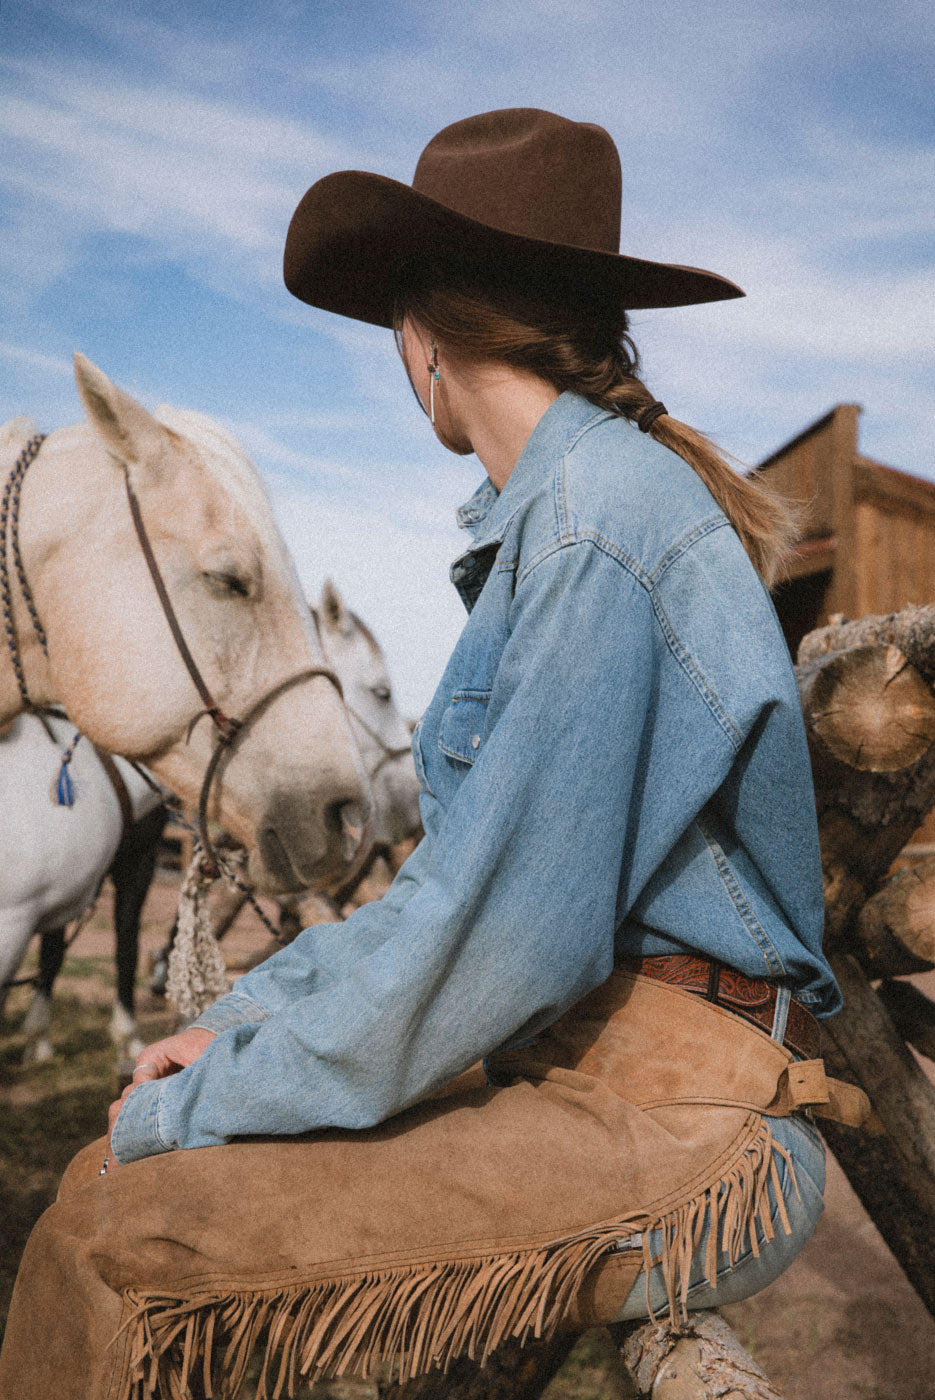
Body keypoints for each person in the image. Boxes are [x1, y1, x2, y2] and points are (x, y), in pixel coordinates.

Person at [0, 108, 871, 1400]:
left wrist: (210, 1092)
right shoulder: (570, 522)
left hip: (689, 1125)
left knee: (106, 1240)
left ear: (423, 342)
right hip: (609, 1074)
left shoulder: (592, 527)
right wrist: (239, 1023)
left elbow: (503, 937)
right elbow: (450, 898)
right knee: (111, 1172)